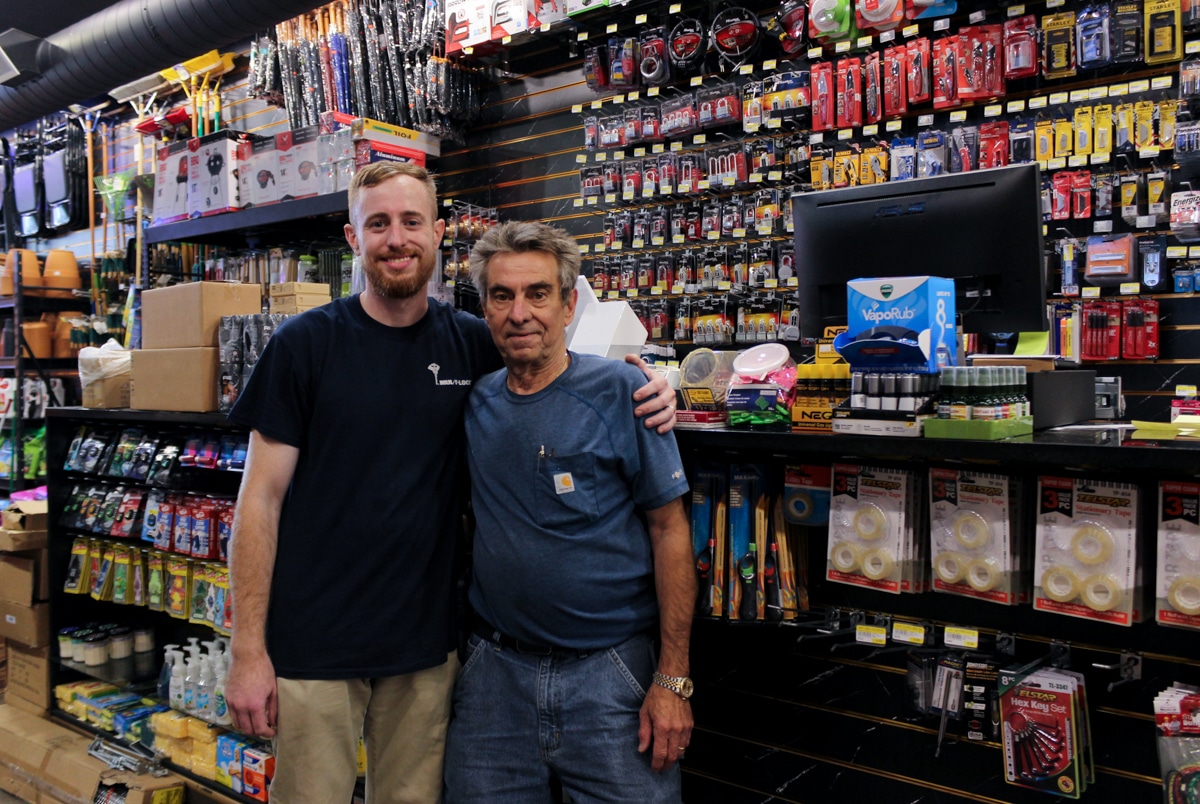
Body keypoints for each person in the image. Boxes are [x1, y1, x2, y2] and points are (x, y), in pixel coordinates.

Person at [224, 162, 676, 804]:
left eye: (411, 221)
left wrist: (649, 379)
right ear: (354, 239)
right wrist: (248, 649)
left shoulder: (472, 343)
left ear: (438, 234)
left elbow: (551, 363)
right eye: (377, 223)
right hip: (313, 647)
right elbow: (258, 502)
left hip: (429, 652)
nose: (396, 238)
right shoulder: (304, 346)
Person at [444, 221, 695, 803]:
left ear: (569, 304)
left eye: (538, 293)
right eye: (502, 296)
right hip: (494, 681)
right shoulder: (474, 401)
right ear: (484, 309)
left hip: (611, 680)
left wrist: (674, 678)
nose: (520, 312)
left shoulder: (624, 392)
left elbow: (670, 531)